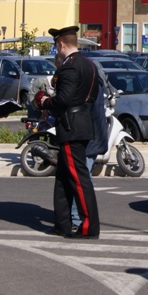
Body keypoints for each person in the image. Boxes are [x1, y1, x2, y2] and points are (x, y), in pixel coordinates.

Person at [35, 26, 101, 239]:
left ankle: (89, 226)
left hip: (71, 125)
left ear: (61, 44)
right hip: (80, 121)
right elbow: (92, 95)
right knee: (63, 177)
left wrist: (45, 101)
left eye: (56, 46)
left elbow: (64, 99)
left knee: (78, 178)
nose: (56, 50)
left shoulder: (70, 66)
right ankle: (62, 223)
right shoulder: (89, 64)